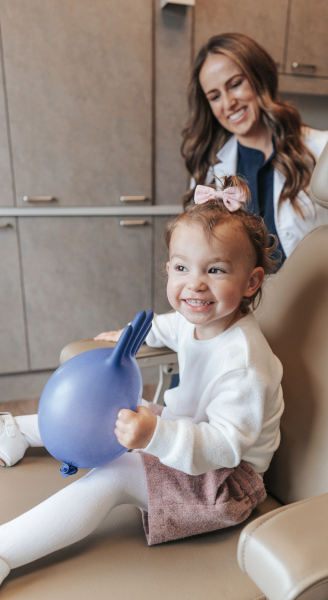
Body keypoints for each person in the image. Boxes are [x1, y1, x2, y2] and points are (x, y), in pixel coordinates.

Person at [0, 176, 284, 586]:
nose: (195, 284)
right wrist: (130, 337)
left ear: (252, 282)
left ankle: (6, 549)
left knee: (116, 473)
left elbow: (223, 447)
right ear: (169, 269)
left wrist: (155, 436)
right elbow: (170, 327)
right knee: (119, 409)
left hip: (223, 481)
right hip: (189, 435)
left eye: (216, 270)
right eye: (182, 268)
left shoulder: (244, 364)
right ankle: (19, 432)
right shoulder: (199, 317)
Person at [181, 32, 328, 265]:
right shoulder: (210, 172)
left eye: (235, 84)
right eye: (214, 97)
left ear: (260, 78)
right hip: (245, 299)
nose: (228, 103)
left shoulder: (327, 147)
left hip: (315, 295)